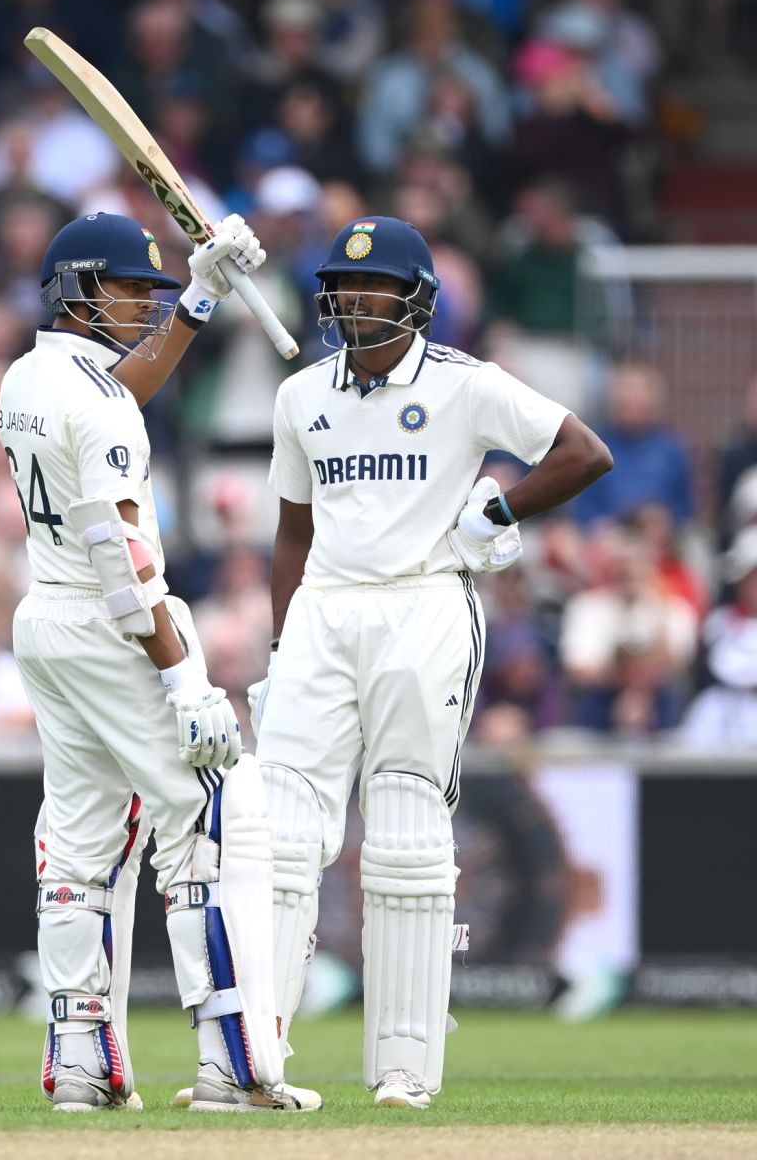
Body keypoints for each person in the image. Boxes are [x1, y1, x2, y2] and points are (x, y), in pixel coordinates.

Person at [247, 216, 612, 1108]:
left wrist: (500, 513)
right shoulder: (300, 397)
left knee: (408, 836)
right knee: (284, 837)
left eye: (370, 289)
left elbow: (583, 452)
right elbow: (292, 533)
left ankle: (404, 1065)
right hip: (327, 610)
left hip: (424, 604)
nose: (351, 303)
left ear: (415, 302)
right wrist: (282, 641)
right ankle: (254, 1060)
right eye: (340, 288)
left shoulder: (466, 385)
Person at [0, 210, 320, 1114]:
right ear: (74, 289)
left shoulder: (29, 377)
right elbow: (122, 558)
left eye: (152, 288)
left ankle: (82, 1070)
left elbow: (118, 397)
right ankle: (235, 1067)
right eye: (127, 288)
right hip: (112, 624)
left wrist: (203, 296)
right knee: (211, 810)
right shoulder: (93, 403)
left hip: (47, 621)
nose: (145, 304)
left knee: (79, 842)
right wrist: (185, 678)